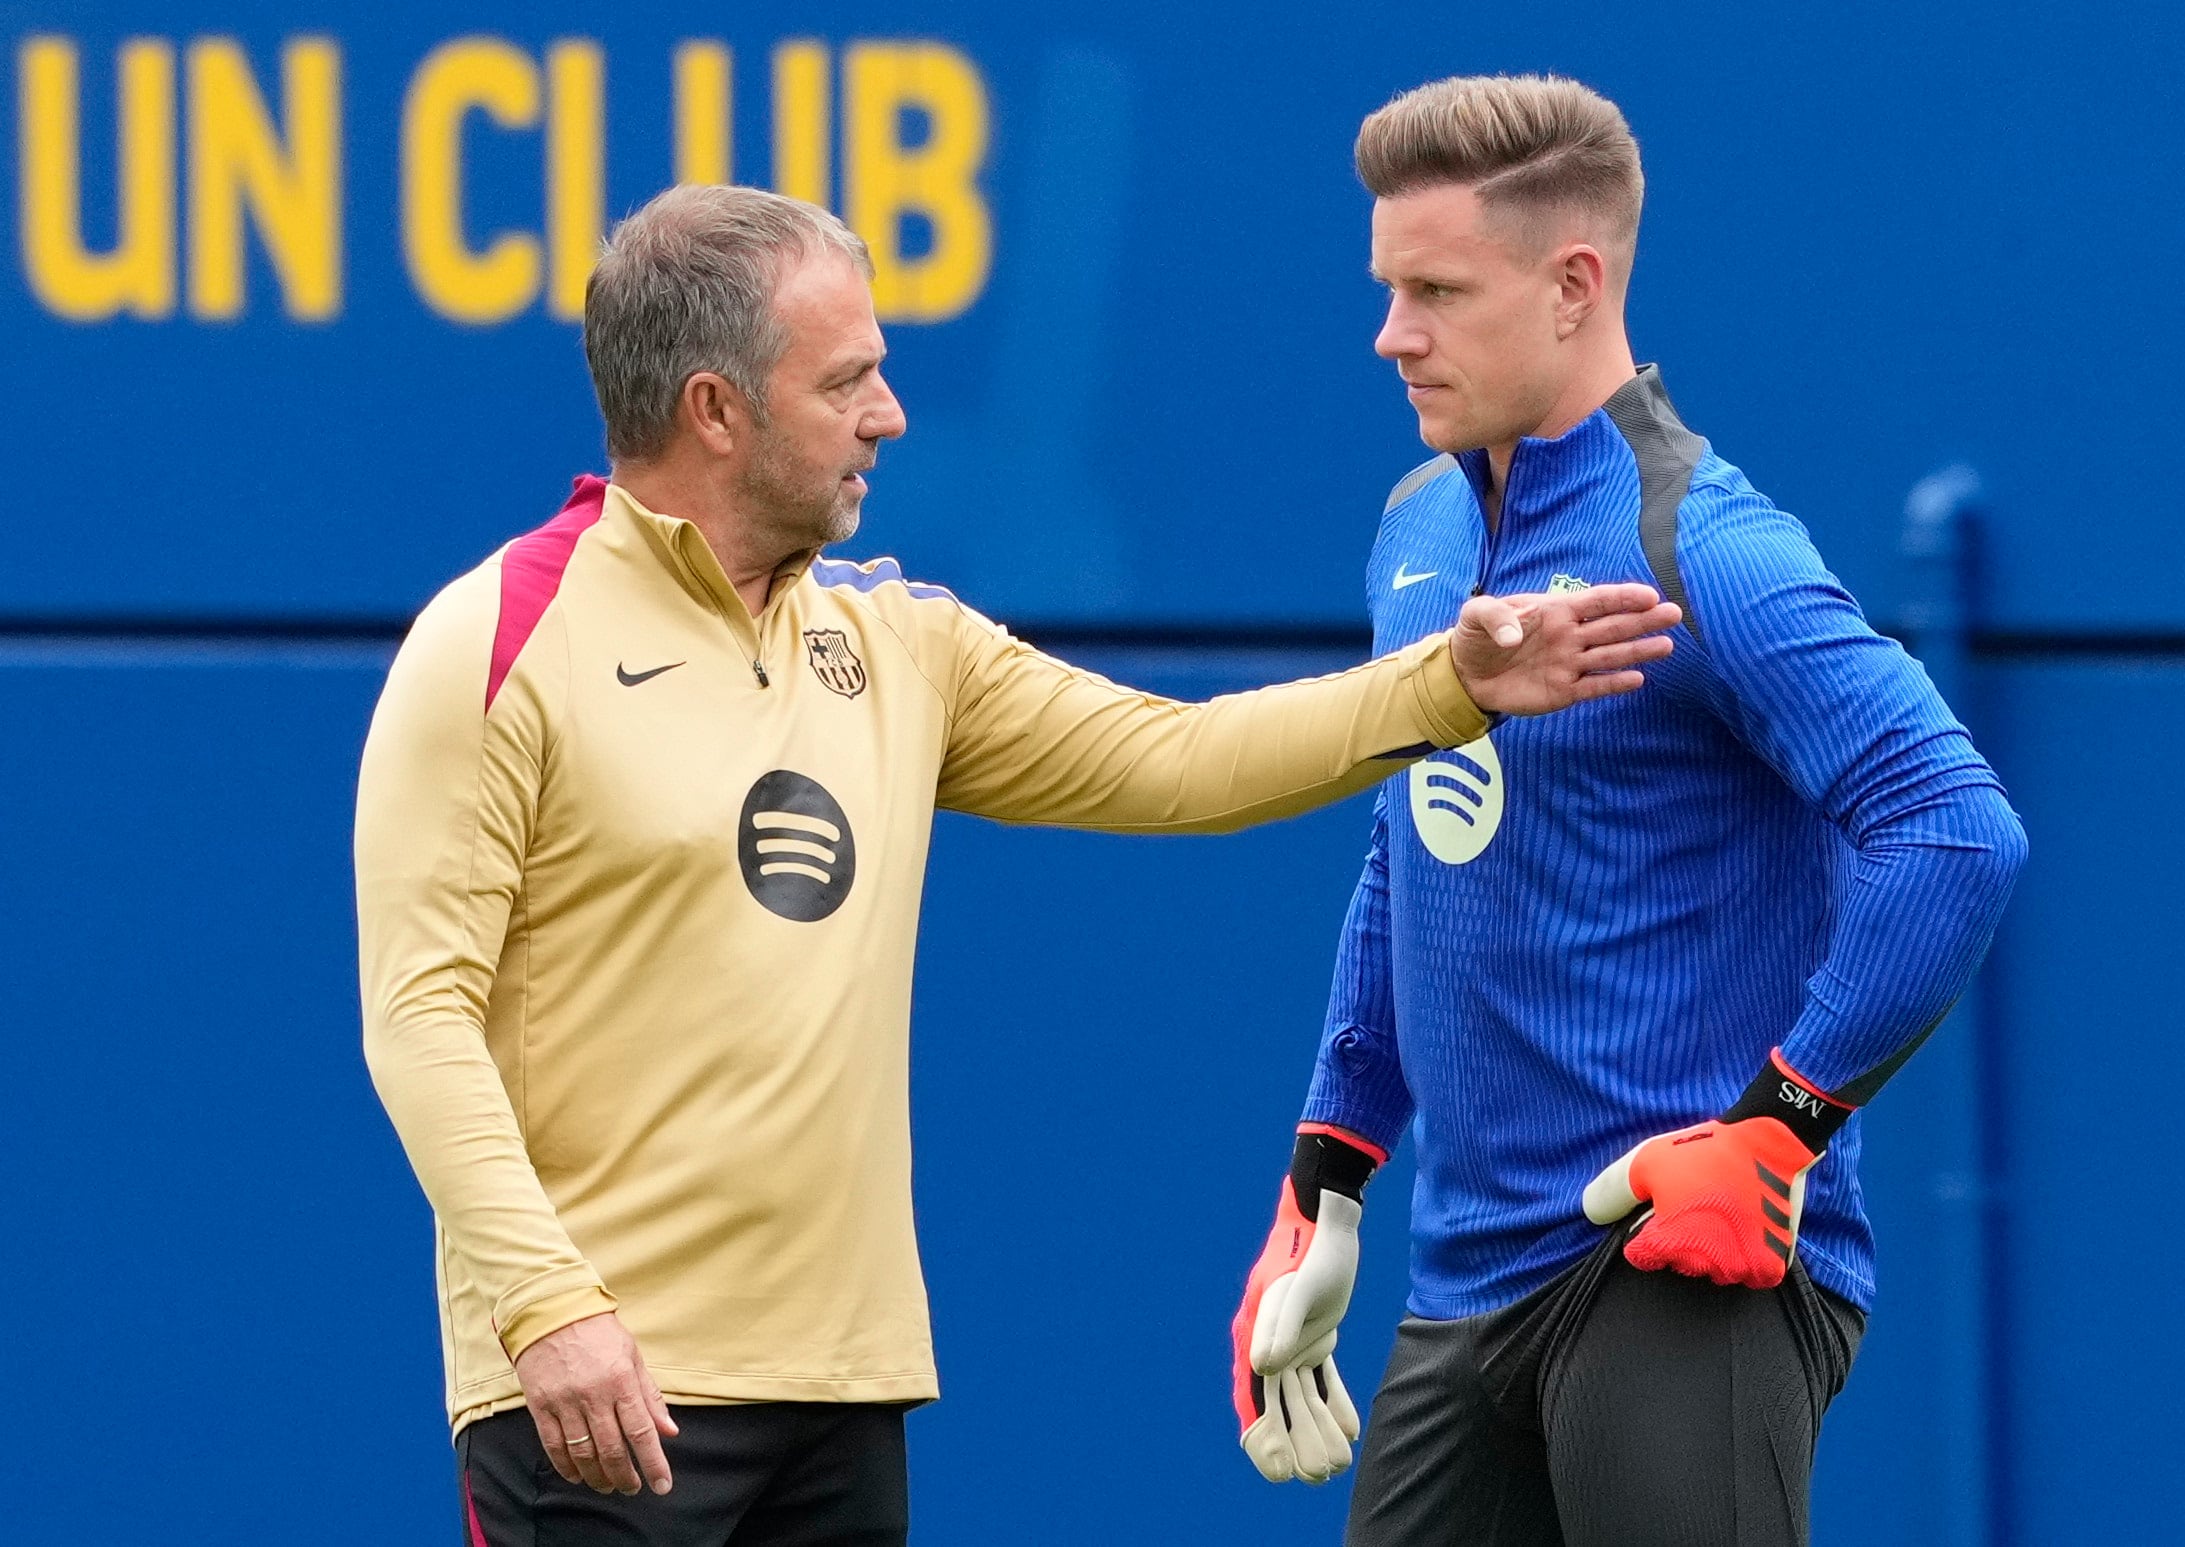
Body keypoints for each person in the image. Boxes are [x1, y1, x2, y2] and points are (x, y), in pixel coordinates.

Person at [355, 183, 1680, 1546]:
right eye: (850, 380)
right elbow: (419, 1017)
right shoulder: (502, 638)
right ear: (715, 410)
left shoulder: (894, 640)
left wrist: (1447, 683)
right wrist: (549, 1309)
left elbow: (1180, 760)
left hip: (842, 1391)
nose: (892, 415)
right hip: (602, 1397)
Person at [1228, 76, 2029, 1546]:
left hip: (1680, 1269)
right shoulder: (1418, 526)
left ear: (1573, 284)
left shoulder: (1701, 545)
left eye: (1434, 291)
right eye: (1387, 287)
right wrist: (1329, 1173)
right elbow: (1410, 849)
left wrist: (1775, 1135)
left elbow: (1956, 827)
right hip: (1463, 1287)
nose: (1389, 333)